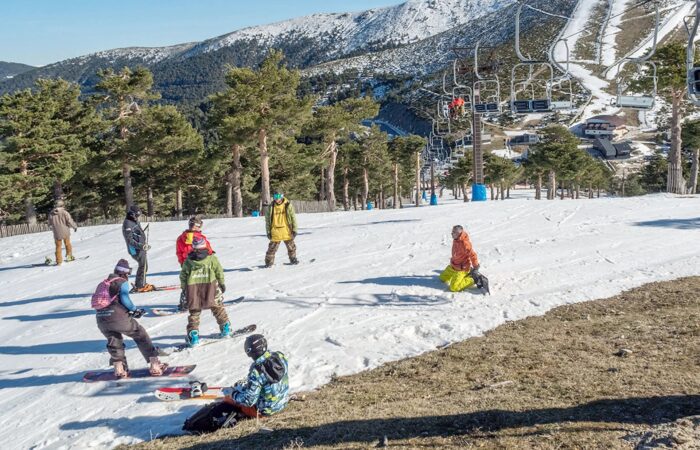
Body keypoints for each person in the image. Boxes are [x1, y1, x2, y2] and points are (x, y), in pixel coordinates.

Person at [92, 259, 166, 377]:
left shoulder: (103, 284)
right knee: (140, 334)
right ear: (125, 273)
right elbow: (125, 299)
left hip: (101, 319)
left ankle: (119, 369)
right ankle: (154, 365)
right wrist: (134, 309)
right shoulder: (121, 282)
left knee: (114, 341)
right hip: (118, 317)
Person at [180, 236, 231, 347]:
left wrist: (184, 288)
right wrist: (221, 283)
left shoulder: (188, 261)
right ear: (204, 246)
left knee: (194, 313)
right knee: (218, 308)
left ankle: (193, 336)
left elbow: (183, 275)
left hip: (194, 290)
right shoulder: (212, 259)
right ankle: (225, 328)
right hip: (211, 288)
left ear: (193, 247)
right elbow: (219, 271)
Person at [223, 334, 289, 418]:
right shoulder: (280, 356)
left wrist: (233, 393)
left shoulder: (257, 371)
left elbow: (249, 401)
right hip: (283, 402)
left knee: (228, 399)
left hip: (267, 411)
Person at [176, 215, 214, 311]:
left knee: (188, 283)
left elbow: (179, 252)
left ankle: (184, 302)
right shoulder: (200, 238)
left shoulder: (180, 238)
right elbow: (208, 250)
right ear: (196, 226)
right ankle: (206, 300)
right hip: (201, 264)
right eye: (199, 226)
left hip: (187, 264)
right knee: (204, 282)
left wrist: (182, 263)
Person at [439, 225, 481, 292]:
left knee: (454, 287)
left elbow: (472, 255)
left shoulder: (465, 244)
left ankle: (473, 279)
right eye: (452, 231)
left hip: (462, 269)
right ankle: (458, 276)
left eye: (454, 232)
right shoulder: (456, 239)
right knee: (442, 278)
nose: (451, 233)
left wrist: (476, 266)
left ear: (459, 234)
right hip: (453, 266)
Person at [122, 205, 153, 292]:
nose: (138, 217)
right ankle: (140, 286)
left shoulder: (134, 221)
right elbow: (129, 240)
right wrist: (141, 246)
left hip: (140, 248)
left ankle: (140, 284)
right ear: (132, 214)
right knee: (143, 266)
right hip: (135, 249)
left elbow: (136, 233)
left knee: (144, 266)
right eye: (137, 215)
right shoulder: (127, 223)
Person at [264, 190, 298, 267]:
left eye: (278, 196)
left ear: (282, 196)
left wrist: (295, 229)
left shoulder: (288, 205)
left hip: (287, 230)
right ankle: (269, 262)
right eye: (275, 197)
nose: (277, 199)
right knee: (272, 248)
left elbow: (293, 218)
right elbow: (268, 221)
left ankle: (293, 259)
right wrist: (268, 232)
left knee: (291, 247)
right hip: (275, 231)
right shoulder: (271, 207)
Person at [47, 199, 78, 265]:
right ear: (62, 205)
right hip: (65, 231)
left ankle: (59, 261)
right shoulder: (64, 212)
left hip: (57, 233)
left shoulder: (51, 213)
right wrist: (74, 226)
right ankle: (69, 256)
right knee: (67, 244)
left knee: (58, 246)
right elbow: (69, 221)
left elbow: (49, 224)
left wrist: (53, 228)